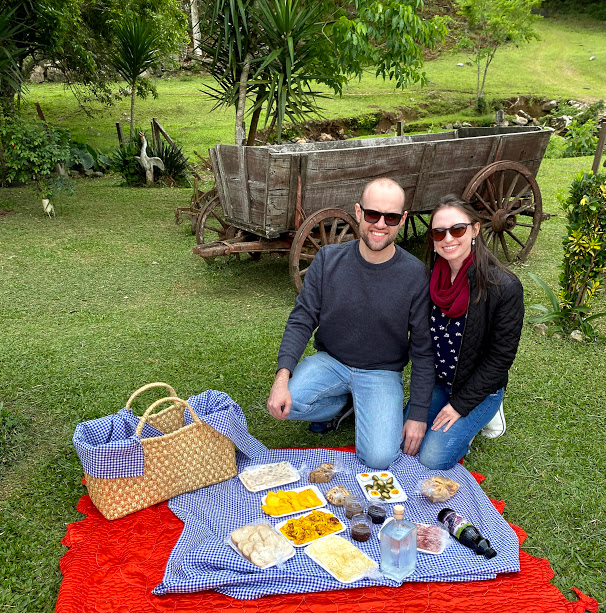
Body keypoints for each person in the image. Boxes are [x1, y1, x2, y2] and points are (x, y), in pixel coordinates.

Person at [266, 178, 435, 469]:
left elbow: (422, 349)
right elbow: (302, 318)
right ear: (358, 212)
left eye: (391, 217)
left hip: (381, 374)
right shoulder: (328, 259)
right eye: (372, 214)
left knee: (379, 457)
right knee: (284, 404)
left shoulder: (415, 274)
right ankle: (345, 405)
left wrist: (418, 415)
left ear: (402, 219)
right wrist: (281, 379)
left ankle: (362, 403)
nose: (380, 224)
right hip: (331, 362)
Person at [408, 195, 524, 470]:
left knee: (431, 457)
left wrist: (459, 406)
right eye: (439, 232)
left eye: (457, 229)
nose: (448, 238)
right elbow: (422, 348)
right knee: (406, 443)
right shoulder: (428, 280)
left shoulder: (504, 287)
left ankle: (489, 413)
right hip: (439, 382)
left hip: (479, 389)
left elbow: (500, 359)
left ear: (475, 229)